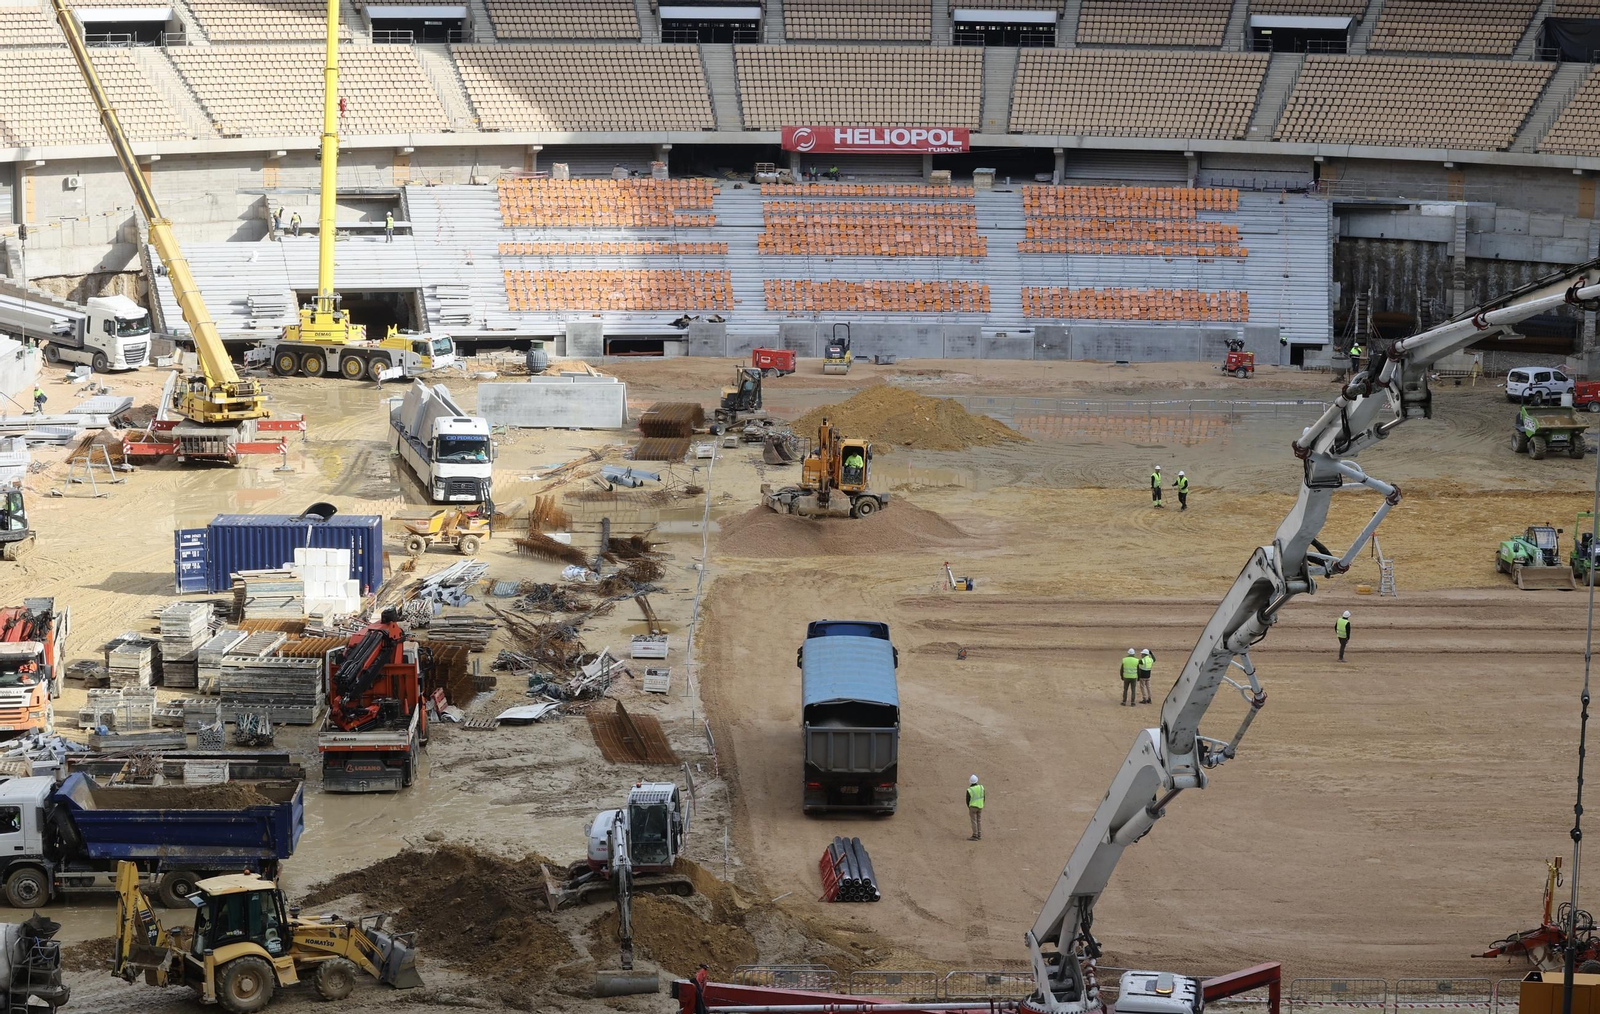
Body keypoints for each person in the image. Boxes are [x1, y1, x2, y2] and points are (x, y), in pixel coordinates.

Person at [966, 774, 984, 840]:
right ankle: (979, 834)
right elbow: (983, 797)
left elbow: (967, 800)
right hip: (980, 806)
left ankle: (975, 835)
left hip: (973, 807)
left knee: (974, 821)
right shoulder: (981, 787)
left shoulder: (970, 789)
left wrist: (969, 807)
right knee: (979, 820)